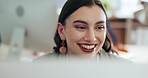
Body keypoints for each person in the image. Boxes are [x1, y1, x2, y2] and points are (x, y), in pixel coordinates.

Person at [35, 0, 130, 62]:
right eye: (81, 27)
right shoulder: (40, 66)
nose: (91, 38)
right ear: (61, 31)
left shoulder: (124, 69)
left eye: (99, 27)